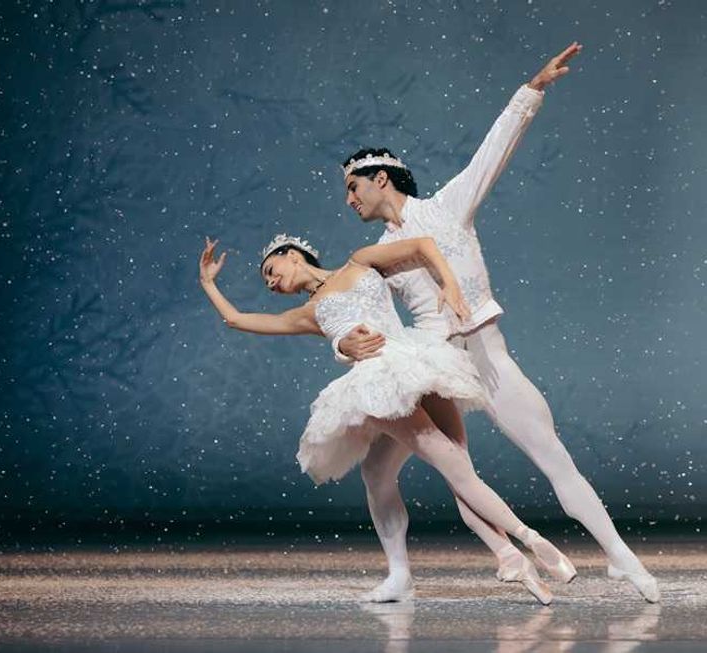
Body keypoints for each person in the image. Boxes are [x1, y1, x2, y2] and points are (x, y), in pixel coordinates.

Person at [333, 42, 660, 603]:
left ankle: (620, 558)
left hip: (485, 358)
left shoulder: (445, 208)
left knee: (553, 455)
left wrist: (531, 90)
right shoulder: (377, 255)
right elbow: (343, 307)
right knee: (377, 470)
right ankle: (400, 574)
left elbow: (493, 150)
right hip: (431, 369)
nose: (349, 200)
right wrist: (346, 345)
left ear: (381, 178)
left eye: (353, 187)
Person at [198, 233, 576, 604]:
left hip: (408, 366)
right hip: (394, 374)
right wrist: (208, 283)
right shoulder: (306, 313)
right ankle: (475, 560)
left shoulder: (359, 260)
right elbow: (236, 319)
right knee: (382, 472)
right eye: (266, 280)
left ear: (293, 255)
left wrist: (450, 285)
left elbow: (423, 244)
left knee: (455, 465)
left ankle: (528, 540)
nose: (270, 282)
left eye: (270, 269)